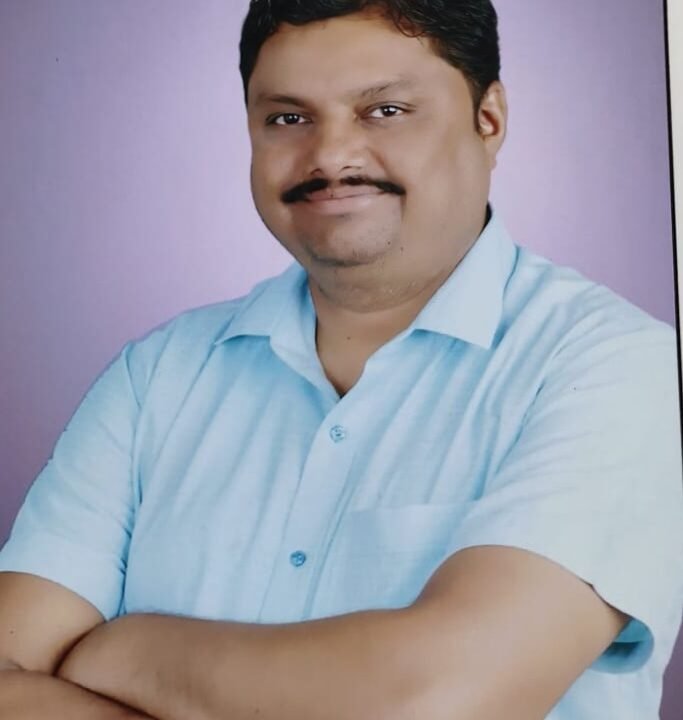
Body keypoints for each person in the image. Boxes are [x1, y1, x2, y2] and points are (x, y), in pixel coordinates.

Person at [1, 1, 681, 718]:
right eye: (288, 117)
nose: (329, 156)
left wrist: (125, 650)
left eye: (384, 110)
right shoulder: (157, 377)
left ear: (488, 120)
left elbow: (435, 701)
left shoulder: (618, 369)